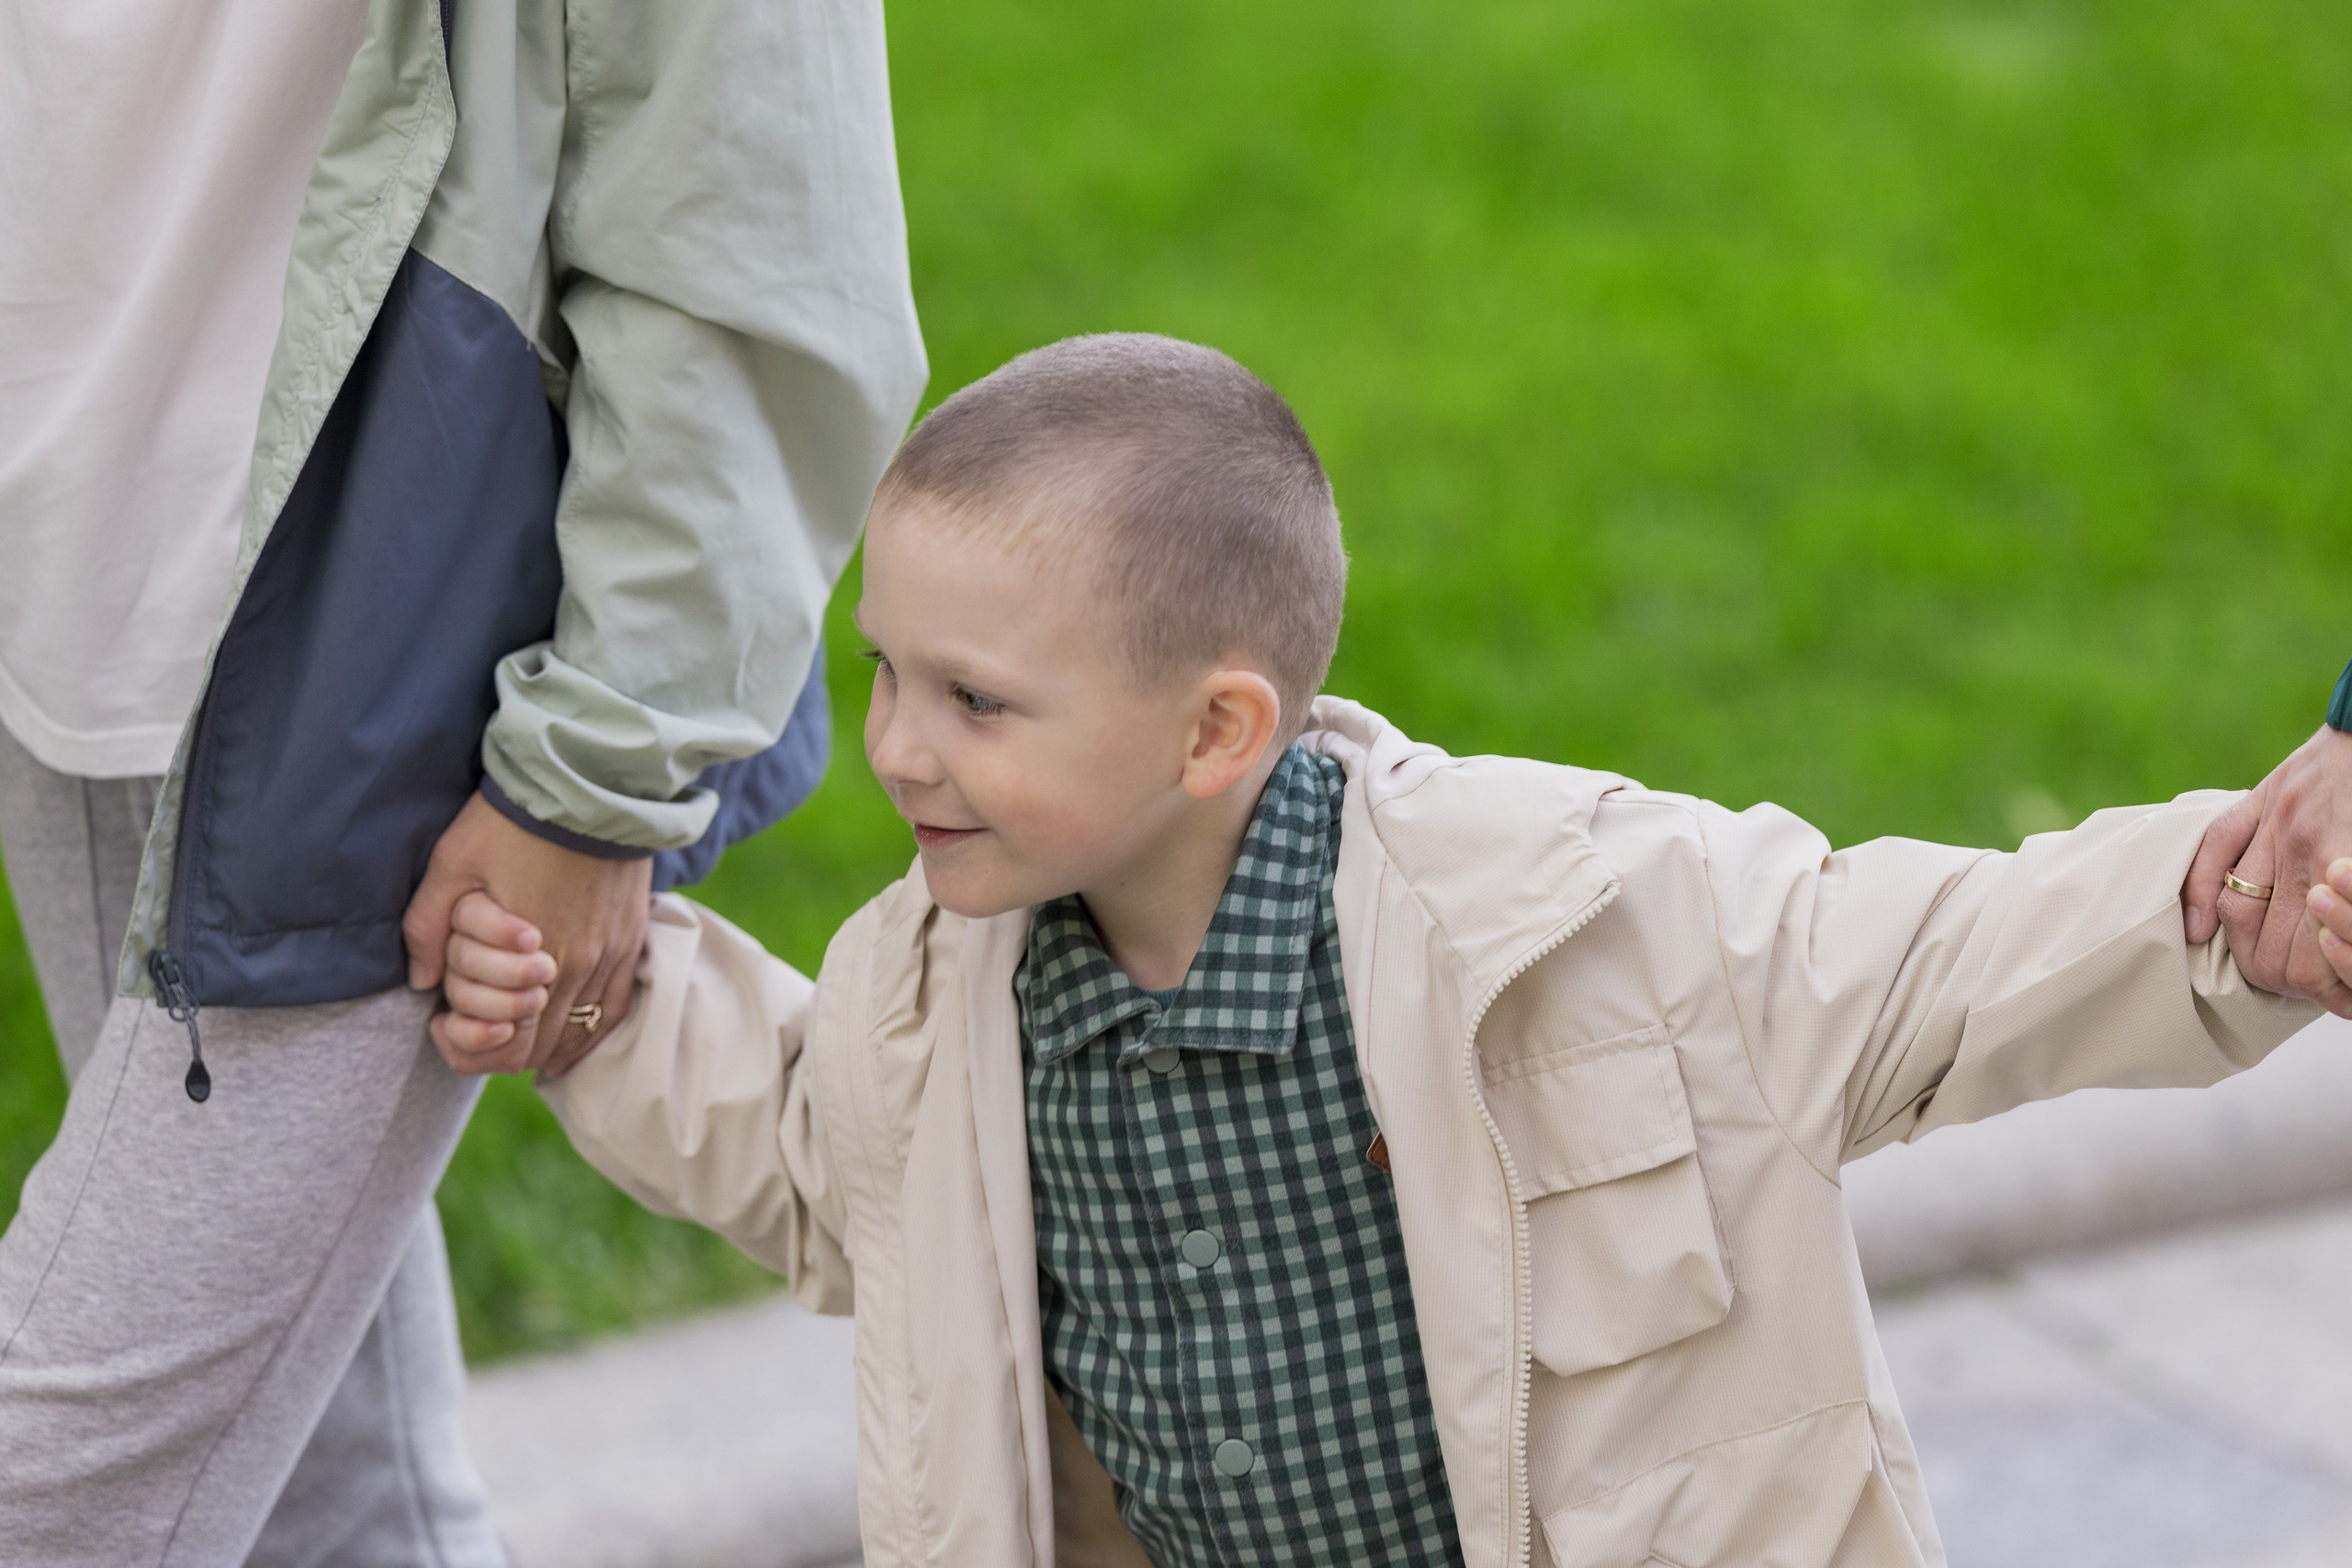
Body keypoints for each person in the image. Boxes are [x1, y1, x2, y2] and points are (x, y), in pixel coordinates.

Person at [437, 334, 2346, 1568]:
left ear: (1214, 731)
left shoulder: (1581, 927)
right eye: (883, 673)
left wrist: (2238, 906)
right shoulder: (932, 1003)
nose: (898, 747)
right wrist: (590, 1006)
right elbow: (798, 1137)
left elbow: (1935, 953)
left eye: (973, 697)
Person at [0, 2, 925, 1563]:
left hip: (381, 636)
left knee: (62, 1490)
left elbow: (749, 188)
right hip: (72, 570)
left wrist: (599, 766)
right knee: (331, 1501)